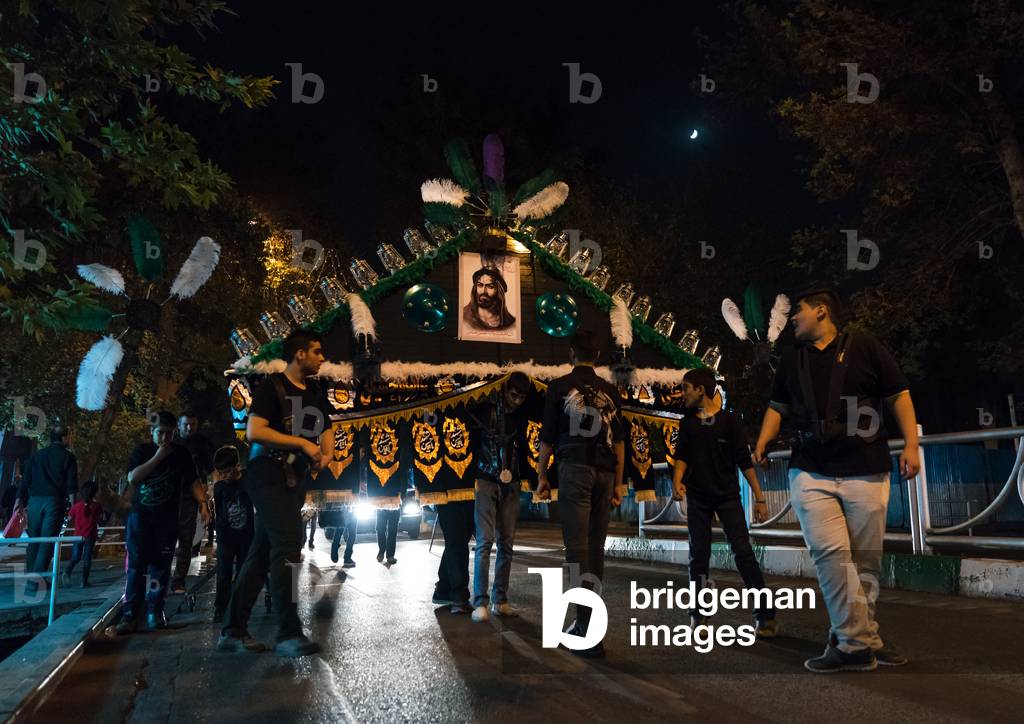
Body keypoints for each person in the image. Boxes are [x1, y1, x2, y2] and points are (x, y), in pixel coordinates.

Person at [753, 286, 919, 673]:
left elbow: (899, 395)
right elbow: (776, 405)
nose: (793, 318)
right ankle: (853, 644)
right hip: (810, 469)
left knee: (864, 563)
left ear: (822, 312)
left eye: (799, 311)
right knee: (831, 557)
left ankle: (864, 638)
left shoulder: (865, 346)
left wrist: (911, 445)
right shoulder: (792, 358)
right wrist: (762, 439)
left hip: (866, 466)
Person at [218, 330, 333, 658]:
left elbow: (327, 427)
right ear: (300, 354)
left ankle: (233, 630)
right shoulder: (272, 387)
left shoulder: (315, 390)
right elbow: (255, 431)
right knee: (288, 546)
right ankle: (288, 632)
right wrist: (299, 442)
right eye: (317, 351)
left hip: (294, 481)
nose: (322, 358)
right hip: (267, 474)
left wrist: (326, 453)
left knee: (261, 553)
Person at [537, 331, 626, 658]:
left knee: (576, 552)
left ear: (572, 353)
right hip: (605, 472)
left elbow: (546, 438)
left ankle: (586, 630)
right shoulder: (611, 391)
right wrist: (618, 483)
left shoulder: (558, 387)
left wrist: (542, 477)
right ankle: (589, 626)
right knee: (595, 550)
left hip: (574, 470)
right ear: (598, 354)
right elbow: (619, 442)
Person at [670, 368, 777, 637]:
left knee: (743, 551)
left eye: (686, 388)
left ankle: (765, 617)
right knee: (699, 556)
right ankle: (698, 616)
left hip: (728, 497)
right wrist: (677, 480)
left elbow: (744, 461)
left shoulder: (729, 423)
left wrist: (760, 498)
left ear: (701, 390)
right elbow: (682, 455)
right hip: (698, 498)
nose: (682, 394)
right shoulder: (688, 424)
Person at [116, 411, 211, 634]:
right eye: (160, 433)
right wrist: (158, 456)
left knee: (161, 568)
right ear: (152, 432)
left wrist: (204, 504)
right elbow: (133, 478)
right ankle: (129, 614)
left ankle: (155, 612)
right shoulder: (143, 451)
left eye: (169, 434)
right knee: (136, 567)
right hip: (141, 518)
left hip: (167, 520)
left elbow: (193, 481)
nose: (165, 438)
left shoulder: (181, 453)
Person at [468, 372, 530, 622]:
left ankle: (500, 600)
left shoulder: (522, 413)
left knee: (507, 543)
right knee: (485, 541)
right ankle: (480, 601)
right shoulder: (484, 407)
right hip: (485, 479)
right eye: (514, 395)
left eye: (522, 397)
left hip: (512, 481)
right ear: (505, 389)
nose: (517, 401)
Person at [19, 425, 78, 598]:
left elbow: (25, 481)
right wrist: (73, 510)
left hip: (34, 502)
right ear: (64, 438)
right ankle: (34, 584)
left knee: (34, 541)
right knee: (47, 541)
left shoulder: (37, 456)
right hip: (53, 502)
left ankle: (35, 581)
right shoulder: (68, 457)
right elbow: (71, 486)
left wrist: (18, 501)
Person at [171, 412, 214, 594]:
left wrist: (205, 498)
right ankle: (161, 577)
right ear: (178, 426)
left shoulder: (202, 444)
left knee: (187, 540)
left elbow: (210, 469)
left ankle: (179, 581)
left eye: (194, 424)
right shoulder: (171, 444)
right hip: (169, 497)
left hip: (191, 496)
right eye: (186, 424)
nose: (190, 428)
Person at [212, 446, 254, 622]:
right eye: (220, 472)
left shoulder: (248, 481)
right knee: (223, 573)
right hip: (226, 537)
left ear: (237, 466)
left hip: (246, 535)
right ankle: (220, 608)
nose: (223, 476)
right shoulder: (220, 487)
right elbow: (219, 512)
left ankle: (237, 607)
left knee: (243, 572)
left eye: (227, 472)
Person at [64, 480, 103, 587]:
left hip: (77, 536)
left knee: (76, 557)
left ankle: (67, 572)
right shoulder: (97, 506)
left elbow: (69, 517)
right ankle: (84, 582)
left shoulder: (76, 506)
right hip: (90, 536)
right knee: (87, 559)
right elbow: (100, 519)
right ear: (94, 493)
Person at [462, 266, 516, 331]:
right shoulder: (464, 316)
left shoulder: (510, 323)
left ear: (499, 291)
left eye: (490, 286)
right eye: (480, 285)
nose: (484, 291)